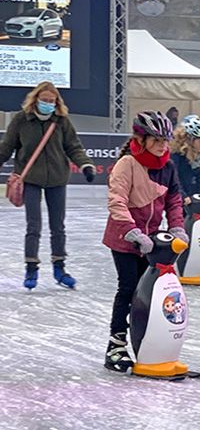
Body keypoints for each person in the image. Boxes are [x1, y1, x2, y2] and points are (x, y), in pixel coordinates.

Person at [102, 111, 189, 373]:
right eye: (156, 140)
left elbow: (174, 199)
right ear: (141, 139)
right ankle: (116, 346)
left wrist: (177, 227)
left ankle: (150, 344)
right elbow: (117, 200)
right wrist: (132, 231)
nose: (163, 145)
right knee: (128, 290)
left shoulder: (168, 166)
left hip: (153, 241)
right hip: (125, 239)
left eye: (166, 140)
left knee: (148, 295)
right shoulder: (127, 164)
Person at [0, 81, 96, 290]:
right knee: (33, 225)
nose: (48, 104)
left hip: (57, 179)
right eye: (44, 101)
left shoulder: (61, 121)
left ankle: (59, 268)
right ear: (36, 100)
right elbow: (6, 147)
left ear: (57, 102)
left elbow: (73, 147)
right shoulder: (22, 120)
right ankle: (31, 267)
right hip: (31, 179)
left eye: (51, 101)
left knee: (58, 226)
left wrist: (86, 165)